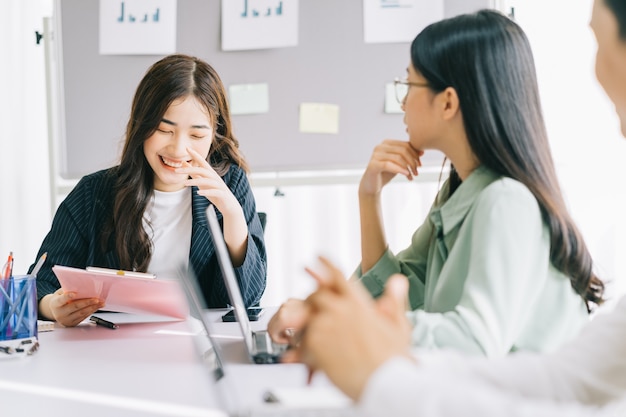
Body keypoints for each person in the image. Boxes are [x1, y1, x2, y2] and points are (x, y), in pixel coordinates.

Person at [283, 0, 626, 415]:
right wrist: (368, 198)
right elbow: (400, 289)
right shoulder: (463, 190)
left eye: (408, 85)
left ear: (448, 103)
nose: (402, 102)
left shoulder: (506, 199)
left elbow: (475, 342)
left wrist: (354, 327)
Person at [30, 54, 267, 327]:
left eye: (197, 135)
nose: (178, 150)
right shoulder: (93, 193)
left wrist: (233, 216)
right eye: (165, 130)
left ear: (214, 134)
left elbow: (246, 302)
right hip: (111, 352)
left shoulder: (231, 185)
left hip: (198, 353)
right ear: (142, 125)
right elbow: (41, 282)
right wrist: (52, 306)